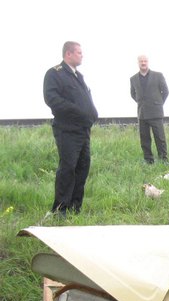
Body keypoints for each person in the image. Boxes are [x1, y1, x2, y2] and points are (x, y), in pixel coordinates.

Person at [43, 41, 98, 216]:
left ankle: (75, 207)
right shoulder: (55, 74)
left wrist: (92, 114)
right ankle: (60, 209)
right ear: (68, 54)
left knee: (83, 167)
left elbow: (85, 99)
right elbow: (52, 99)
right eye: (79, 52)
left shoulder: (78, 76)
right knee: (68, 168)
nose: (82, 55)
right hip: (67, 130)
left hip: (83, 130)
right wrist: (78, 111)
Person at [130, 55, 169, 163]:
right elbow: (133, 94)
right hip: (142, 113)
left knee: (160, 138)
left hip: (156, 112)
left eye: (145, 61)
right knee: (144, 139)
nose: (143, 63)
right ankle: (148, 160)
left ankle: (163, 159)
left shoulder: (158, 75)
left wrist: (158, 103)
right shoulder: (133, 79)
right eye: (141, 61)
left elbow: (165, 91)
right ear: (138, 63)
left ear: (148, 62)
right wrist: (142, 103)